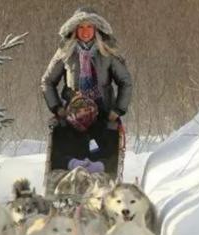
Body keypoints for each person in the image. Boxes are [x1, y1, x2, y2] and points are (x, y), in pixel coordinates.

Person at [41, 7, 132, 174]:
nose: (85, 31)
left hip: (102, 111)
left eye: (89, 27)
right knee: (62, 139)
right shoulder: (65, 51)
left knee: (106, 141)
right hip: (72, 111)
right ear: (75, 29)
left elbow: (125, 82)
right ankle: (72, 167)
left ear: (96, 29)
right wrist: (57, 108)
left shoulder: (107, 52)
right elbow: (47, 81)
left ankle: (99, 170)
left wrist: (118, 110)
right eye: (81, 27)